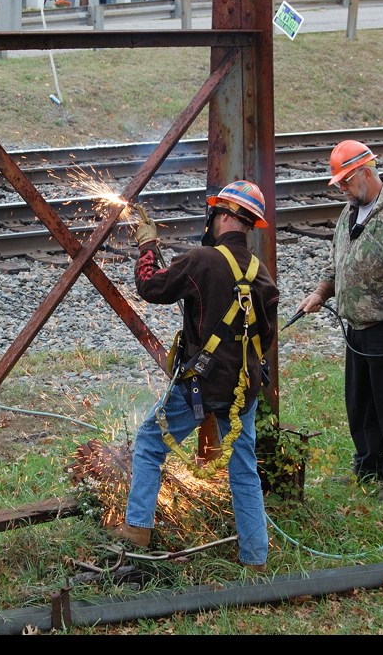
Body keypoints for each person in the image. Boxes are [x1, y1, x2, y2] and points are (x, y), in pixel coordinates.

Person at [111, 180, 279, 572]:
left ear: (222, 216)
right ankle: (256, 558)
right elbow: (266, 336)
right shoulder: (261, 273)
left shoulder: (203, 259)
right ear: (249, 225)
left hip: (200, 387)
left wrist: (147, 245)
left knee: (150, 444)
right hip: (245, 389)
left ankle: (137, 530)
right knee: (243, 467)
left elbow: (151, 286)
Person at [295, 140, 383, 501]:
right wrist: (320, 292)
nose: (341, 189)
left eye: (345, 182)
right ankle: (369, 465)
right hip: (357, 329)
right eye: (338, 184)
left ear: (365, 172)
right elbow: (337, 261)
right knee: (360, 404)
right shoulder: (351, 211)